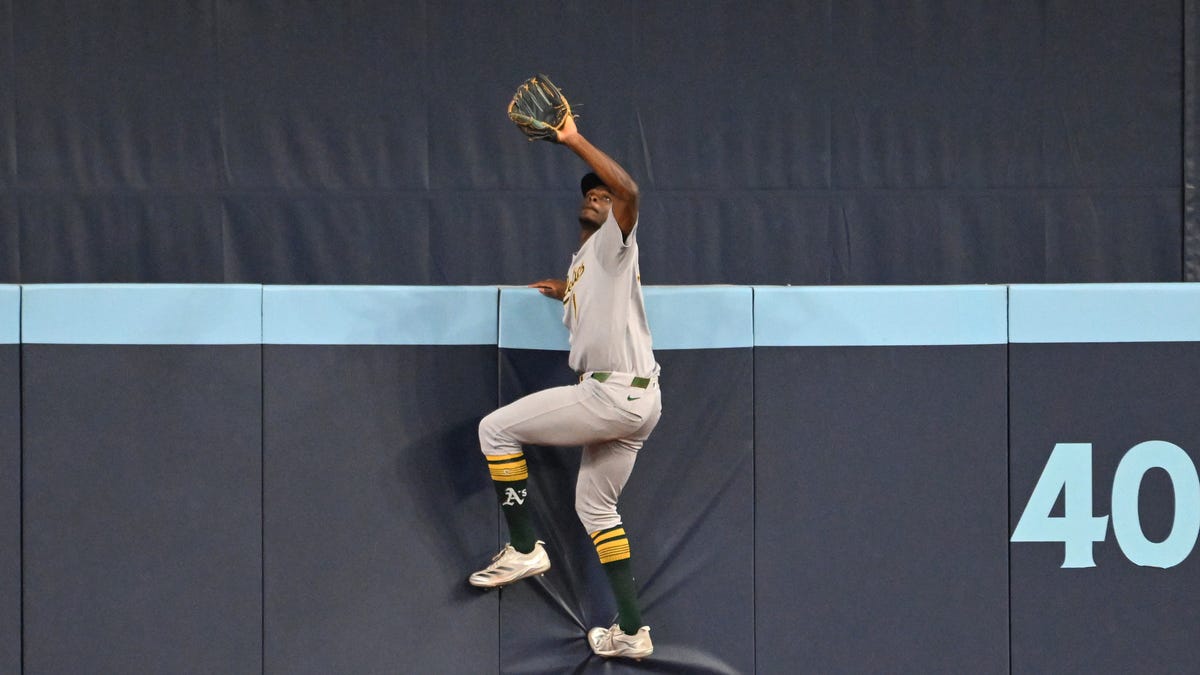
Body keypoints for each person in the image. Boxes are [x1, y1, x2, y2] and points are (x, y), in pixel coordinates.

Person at [468, 110, 662, 661]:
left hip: (611, 393)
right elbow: (593, 293)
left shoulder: (613, 243)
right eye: (591, 193)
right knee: (597, 509)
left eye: (605, 196)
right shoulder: (584, 263)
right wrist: (564, 291)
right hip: (641, 399)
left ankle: (526, 548)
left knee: (495, 429)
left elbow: (629, 189)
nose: (599, 196)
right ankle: (632, 632)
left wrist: (572, 139)